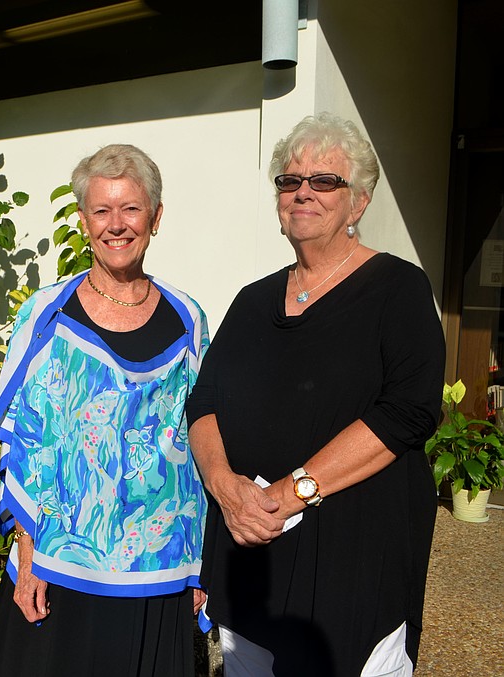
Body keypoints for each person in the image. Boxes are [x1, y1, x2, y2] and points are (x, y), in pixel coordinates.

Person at [187, 113, 445, 676]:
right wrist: (225, 488)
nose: (303, 192)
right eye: (290, 180)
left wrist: (291, 493)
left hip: (351, 561)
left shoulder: (398, 289)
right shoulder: (252, 301)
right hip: (251, 553)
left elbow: (408, 411)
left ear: (358, 203)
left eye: (324, 180)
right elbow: (202, 402)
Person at [0, 144, 209, 677]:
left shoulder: (189, 319)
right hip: (60, 562)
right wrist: (28, 554)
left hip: (158, 566)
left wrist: (198, 563)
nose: (116, 225)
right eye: (102, 210)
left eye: (131, 209)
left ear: (156, 217)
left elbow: (198, 442)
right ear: (83, 221)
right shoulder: (47, 315)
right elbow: (25, 440)